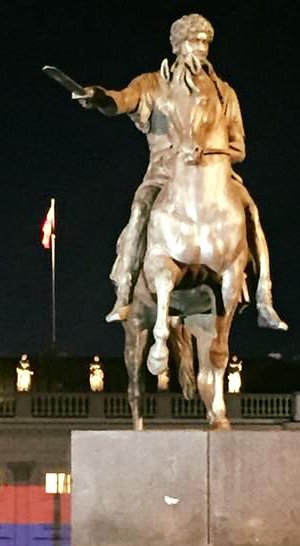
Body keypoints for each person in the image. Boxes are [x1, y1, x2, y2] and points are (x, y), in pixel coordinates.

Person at [75, 13, 286, 331]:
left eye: (204, 43)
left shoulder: (224, 93)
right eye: (193, 41)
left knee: (251, 212)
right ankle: (125, 290)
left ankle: (263, 297)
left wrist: (212, 153)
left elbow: (239, 147)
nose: (200, 48)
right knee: (140, 208)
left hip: (215, 176)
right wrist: (102, 97)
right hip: (165, 175)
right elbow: (122, 101)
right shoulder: (152, 84)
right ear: (177, 46)